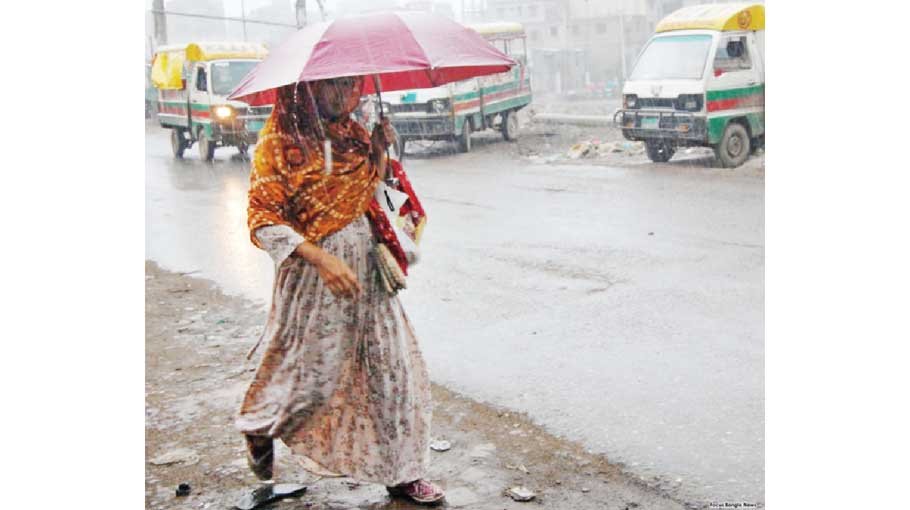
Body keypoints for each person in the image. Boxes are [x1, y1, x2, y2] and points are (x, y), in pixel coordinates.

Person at [237, 76, 444, 504]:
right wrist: (322, 258)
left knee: (392, 372)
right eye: (336, 85)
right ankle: (261, 425)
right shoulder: (278, 145)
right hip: (314, 282)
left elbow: (377, 192)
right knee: (312, 382)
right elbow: (263, 220)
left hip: (368, 275)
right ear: (307, 90)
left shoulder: (354, 134)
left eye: (353, 86)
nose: (346, 95)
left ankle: (405, 473)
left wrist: (381, 148)